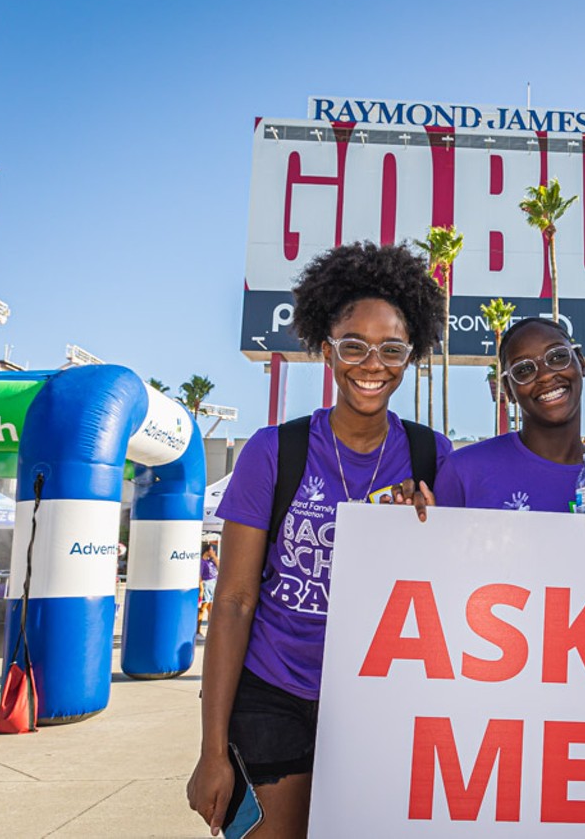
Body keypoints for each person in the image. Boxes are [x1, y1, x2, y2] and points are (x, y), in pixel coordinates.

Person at [186, 242, 449, 837]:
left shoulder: (434, 458)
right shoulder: (274, 451)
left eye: (392, 349)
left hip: (378, 700)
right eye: (353, 345)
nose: (371, 364)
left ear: (411, 356)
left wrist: (433, 532)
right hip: (273, 691)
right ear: (326, 349)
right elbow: (232, 602)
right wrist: (211, 750)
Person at [433, 317, 585, 514]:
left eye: (558, 356)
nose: (545, 375)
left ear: (580, 362)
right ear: (508, 389)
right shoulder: (464, 472)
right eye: (524, 369)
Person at [197, 542, 219, 636]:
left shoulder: (211, 561)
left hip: (213, 584)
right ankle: (198, 630)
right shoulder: (202, 562)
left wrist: (214, 557)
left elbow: (220, 567)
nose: (213, 551)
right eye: (211, 549)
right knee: (203, 608)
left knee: (212, 610)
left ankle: (211, 632)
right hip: (206, 584)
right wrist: (201, 589)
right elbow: (200, 576)